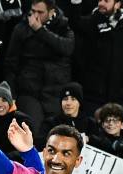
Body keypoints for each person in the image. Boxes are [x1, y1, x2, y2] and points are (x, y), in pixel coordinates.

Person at [4, 0, 75, 133]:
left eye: (40, 12)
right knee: (32, 131)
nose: (35, 16)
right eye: (33, 11)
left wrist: (40, 31)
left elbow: (67, 48)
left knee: (54, 134)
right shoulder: (22, 28)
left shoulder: (63, 26)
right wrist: (11, 94)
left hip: (55, 93)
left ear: (51, 12)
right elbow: (11, 63)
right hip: (29, 92)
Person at [40, 82, 98, 148]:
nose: (68, 103)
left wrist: (90, 139)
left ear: (79, 103)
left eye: (73, 99)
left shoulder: (90, 124)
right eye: (65, 99)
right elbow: (39, 144)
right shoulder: (51, 123)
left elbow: (106, 146)